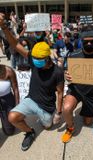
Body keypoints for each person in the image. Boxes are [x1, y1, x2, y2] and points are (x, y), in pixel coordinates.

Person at [0, 13, 64, 151]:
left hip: (47, 107)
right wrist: (4, 27)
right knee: (12, 117)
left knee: (47, 126)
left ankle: (46, 120)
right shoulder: (33, 59)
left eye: (38, 60)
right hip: (31, 100)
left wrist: (59, 113)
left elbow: (60, 93)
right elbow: (15, 44)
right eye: (33, 58)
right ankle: (30, 132)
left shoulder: (58, 72)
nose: (33, 61)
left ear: (48, 59)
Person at [0, 64, 19, 135]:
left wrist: (17, 106)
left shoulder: (8, 70)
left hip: (7, 99)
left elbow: (15, 89)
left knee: (9, 131)